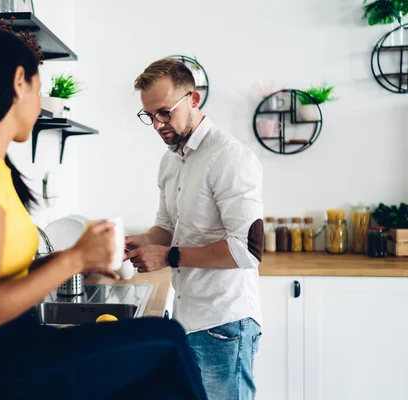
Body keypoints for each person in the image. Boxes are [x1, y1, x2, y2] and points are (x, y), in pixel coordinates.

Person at [0, 29, 206, 400]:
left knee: (151, 361)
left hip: (3, 350)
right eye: (38, 90)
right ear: (19, 82)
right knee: (167, 341)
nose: (39, 104)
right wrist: (73, 258)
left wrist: (77, 262)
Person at [125, 58, 264, 400]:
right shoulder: (171, 160)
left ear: (193, 99)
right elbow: (169, 227)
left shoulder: (229, 157)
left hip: (225, 323)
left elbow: (248, 251)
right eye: (149, 116)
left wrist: (168, 257)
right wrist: (135, 243)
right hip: (186, 319)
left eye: (164, 112)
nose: (157, 124)